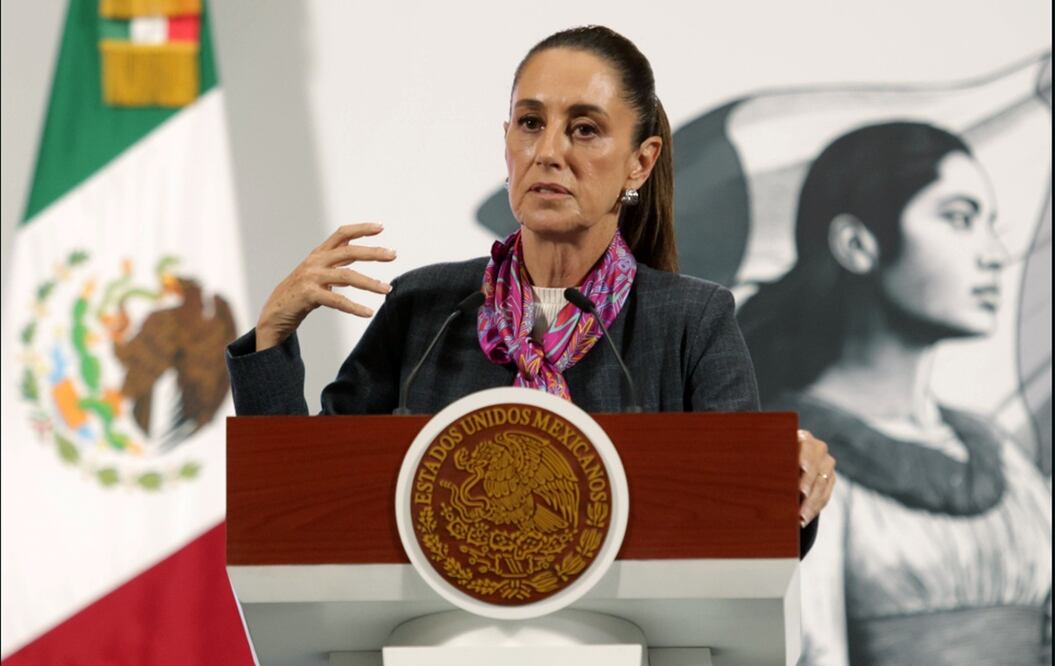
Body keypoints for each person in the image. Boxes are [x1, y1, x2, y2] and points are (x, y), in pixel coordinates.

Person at [225, 25, 835, 547]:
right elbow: (299, 513)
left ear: (640, 163)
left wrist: (790, 481)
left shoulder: (690, 321)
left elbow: (751, 531)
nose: (548, 152)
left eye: (585, 129)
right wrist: (271, 341)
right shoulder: (424, 311)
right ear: (507, 141)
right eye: (530, 123)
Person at [738, 122, 1052, 664]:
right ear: (858, 244)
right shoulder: (790, 457)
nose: (996, 254)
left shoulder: (1000, 455)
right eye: (959, 219)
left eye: (989, 224)